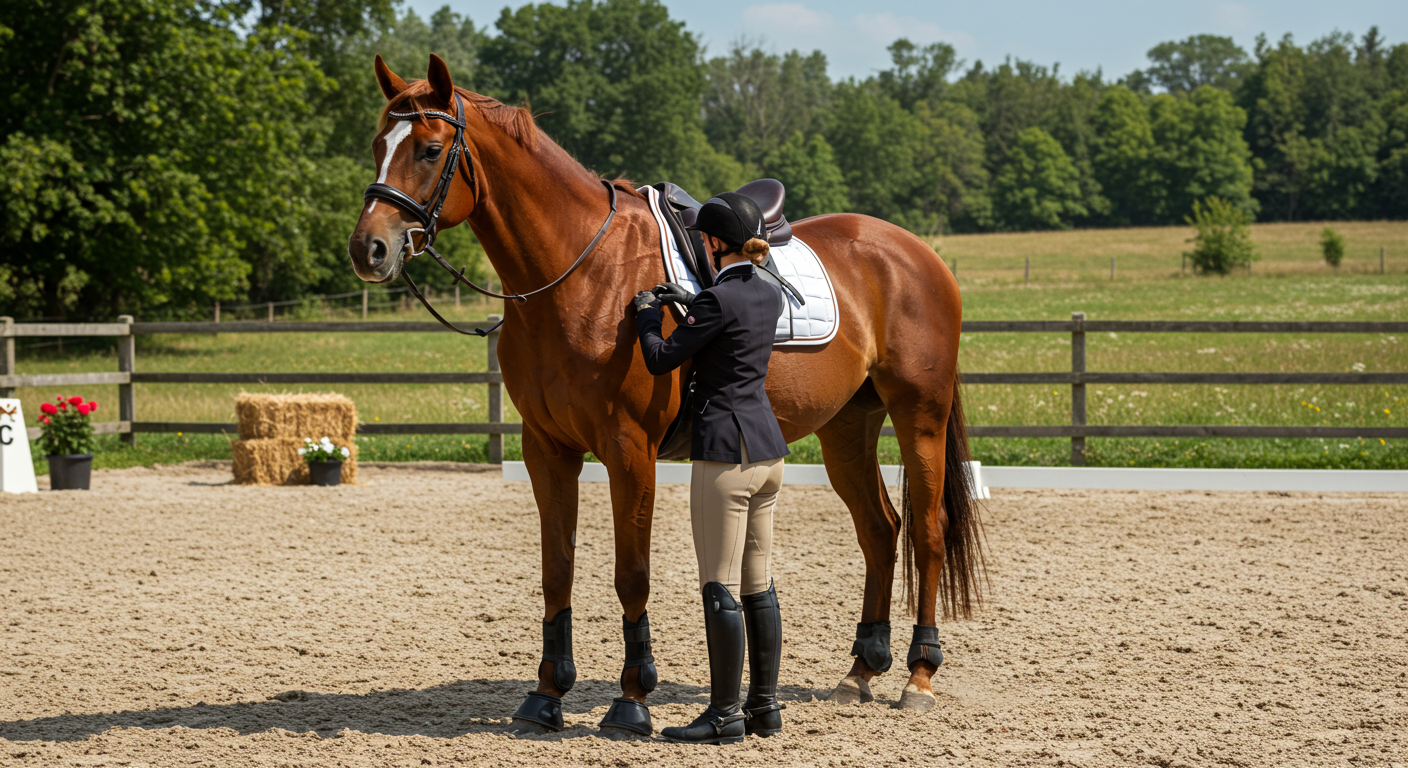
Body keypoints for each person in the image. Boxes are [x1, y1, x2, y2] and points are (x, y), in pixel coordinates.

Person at [629, 191, 789, 745]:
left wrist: (650, 314)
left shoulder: (715, 302)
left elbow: (660, 358)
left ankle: (723, 716)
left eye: (705, 238)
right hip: (769, 453)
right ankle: (764, 708)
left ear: (714, 242)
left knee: (717, 586)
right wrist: (692, 298)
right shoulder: (769, 291)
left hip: (724, 455)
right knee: (758, 584)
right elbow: (728, 314)